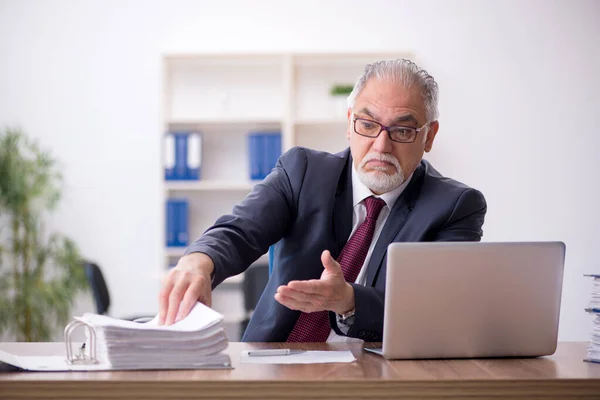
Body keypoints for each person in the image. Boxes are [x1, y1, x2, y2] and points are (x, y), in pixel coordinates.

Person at [158, 59, 487, 342]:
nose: (381, 146)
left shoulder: (455, 207)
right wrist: (198, 261)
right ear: (349, 124)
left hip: (381, 376)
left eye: (402, 131)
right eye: (368, 125)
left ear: (429, 136)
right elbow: (241, 230)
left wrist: (350, 301)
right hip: (277, 362)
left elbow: (439, 312)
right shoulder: (303, 172)